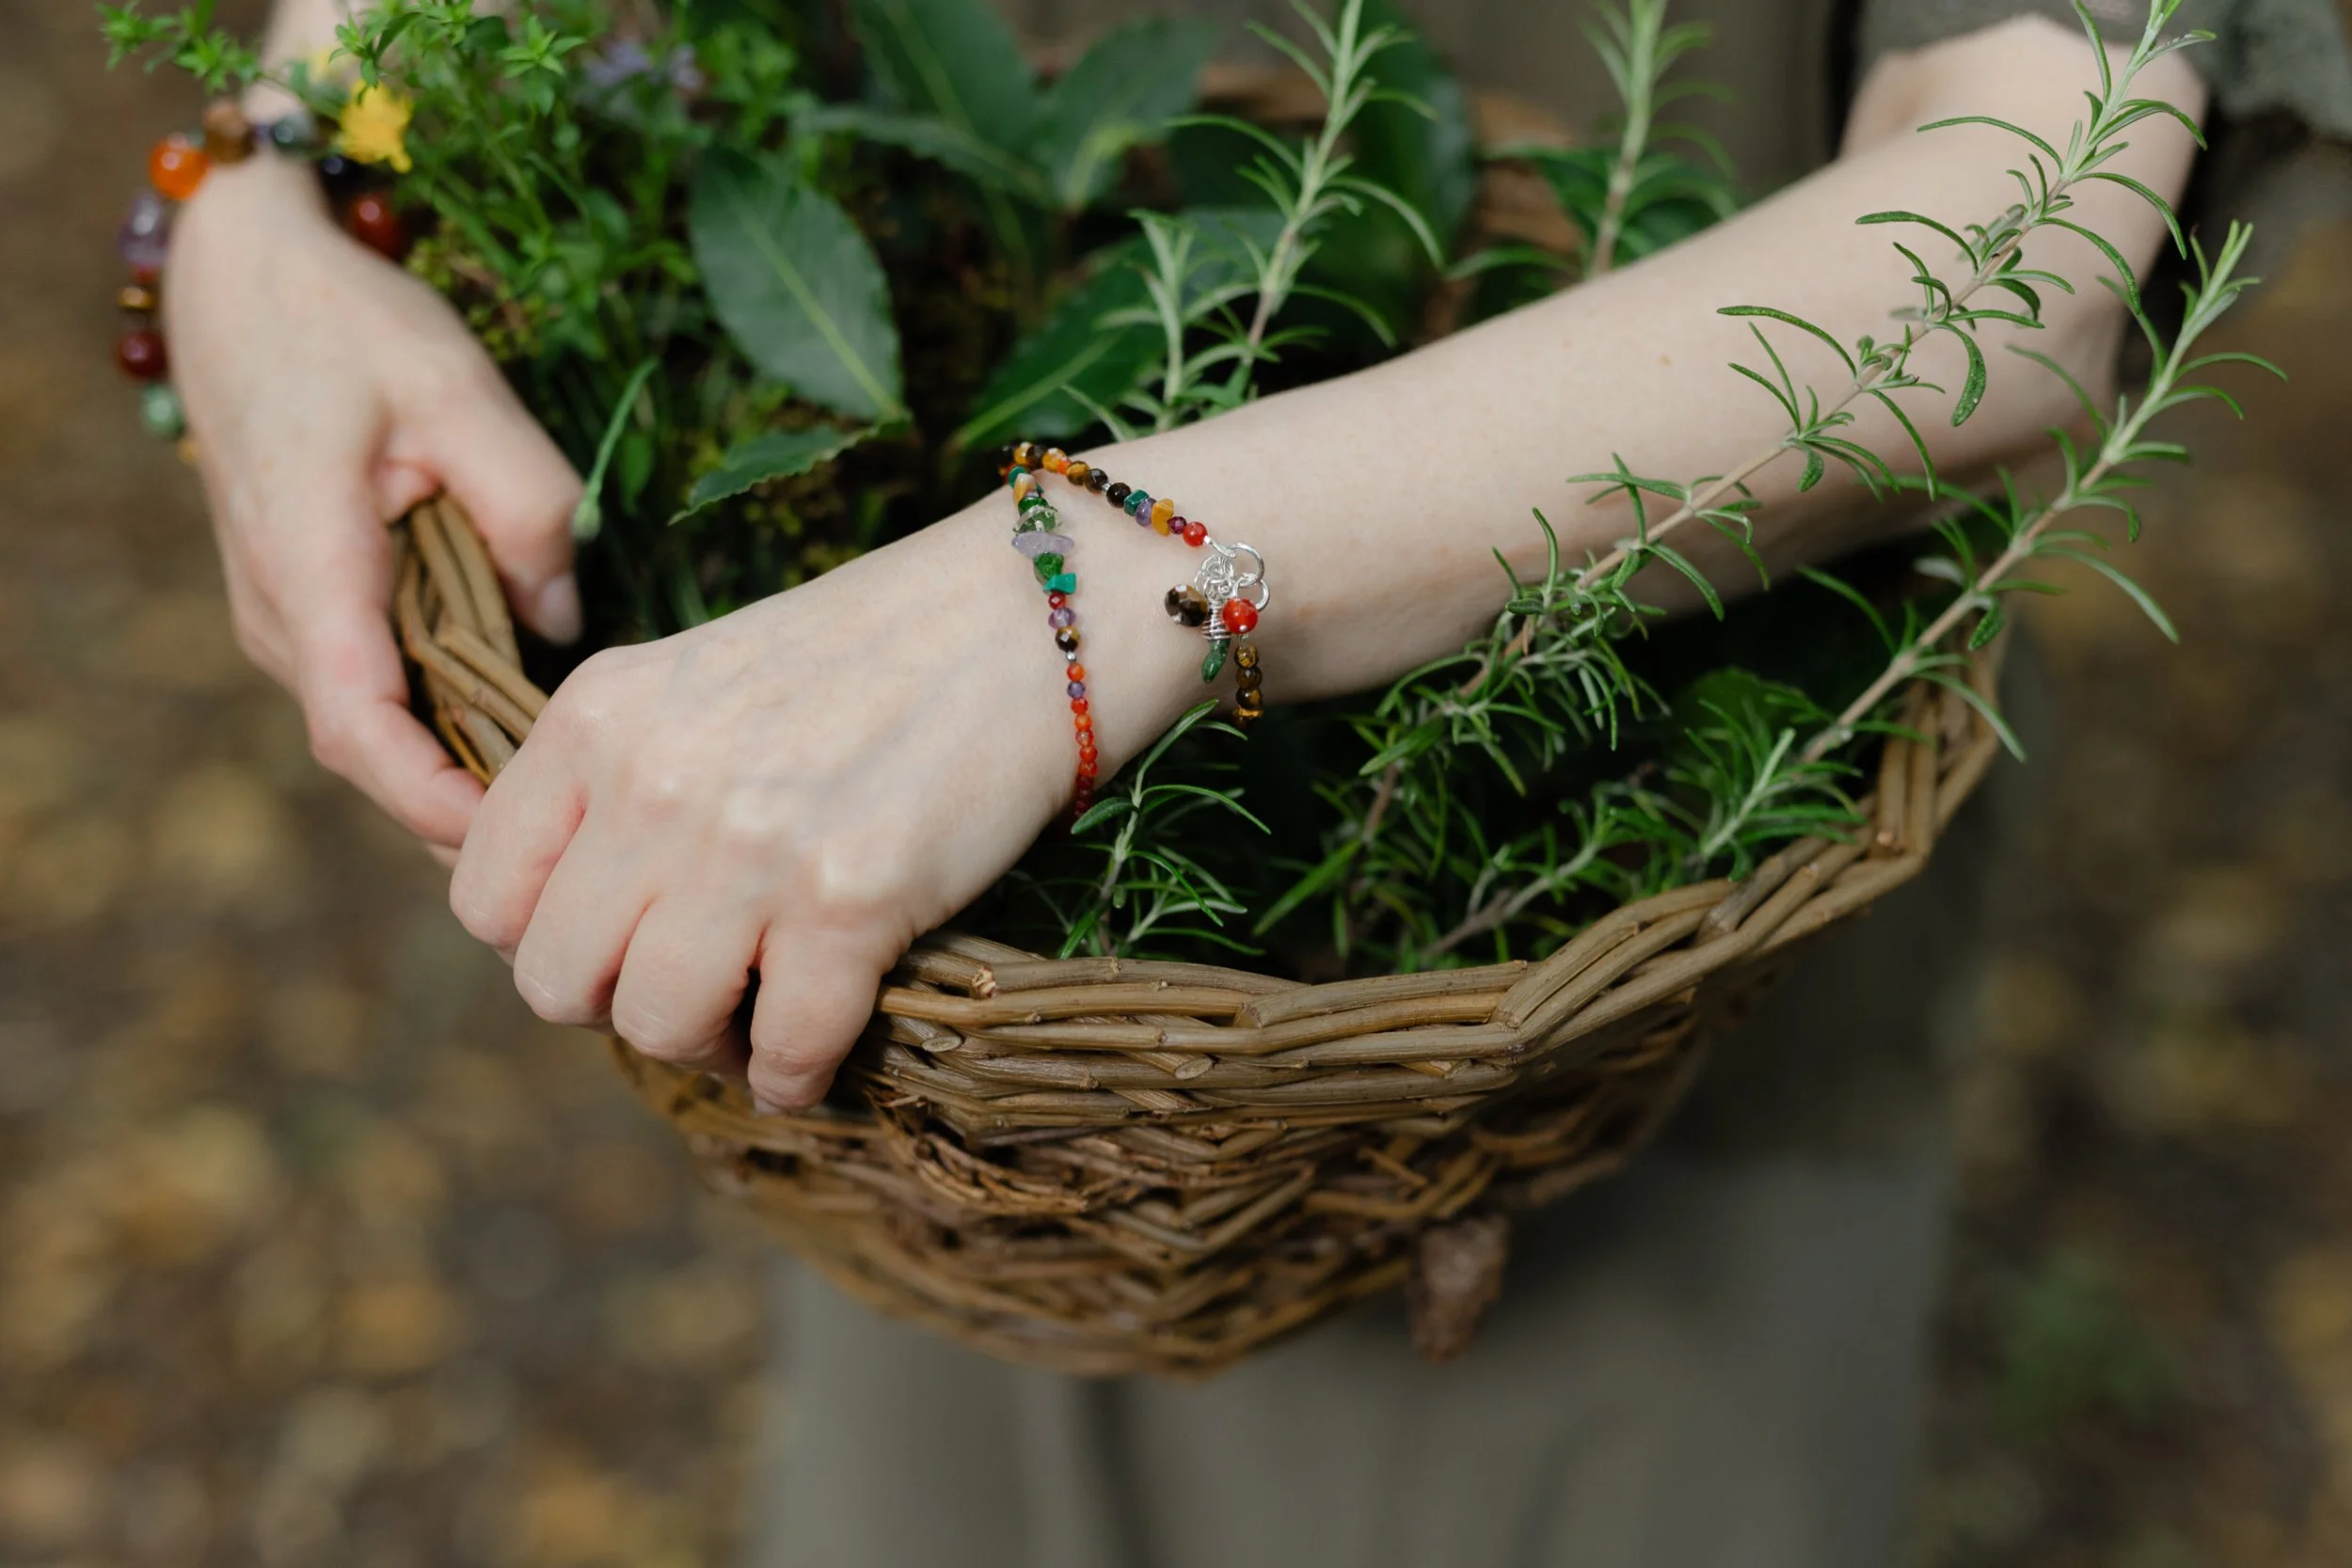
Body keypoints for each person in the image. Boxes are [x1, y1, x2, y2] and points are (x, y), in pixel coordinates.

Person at [168, 1, 2352, 1563]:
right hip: (932, 1015)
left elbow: (2005, 261)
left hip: (1595, 1059)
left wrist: (1084, 583)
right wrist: (284, 171)